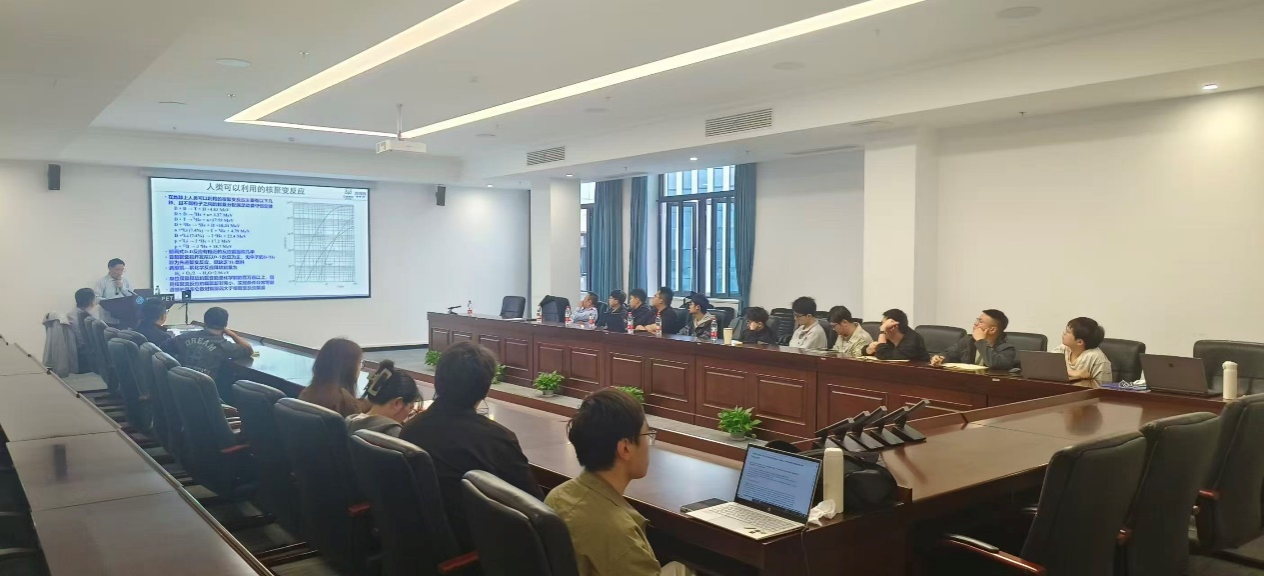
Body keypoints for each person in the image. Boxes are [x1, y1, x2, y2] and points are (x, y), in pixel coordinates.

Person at [400, 342, 541, 549]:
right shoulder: (496, 439)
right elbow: (535, 507)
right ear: (486, 389)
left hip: (420, 541)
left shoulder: (410, 428)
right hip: (478, 548)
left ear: (438, 380)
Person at [547, 388, 695, 576]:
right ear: (625, 448)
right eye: (647, 436)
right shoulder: (619, 532)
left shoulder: (557, 496)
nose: (649, 445)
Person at [166, 307, 254, 401]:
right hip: (205, 396)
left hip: (177, 390)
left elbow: (163, 346)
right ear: (225, 325)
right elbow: (248, 349)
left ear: (205, 322)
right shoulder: (224, 346)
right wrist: (231, 334)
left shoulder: (183, 338)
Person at [346, 360, 421, 436]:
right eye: (410, 408)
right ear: (397, 403)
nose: (408, 414)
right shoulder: (394, 434)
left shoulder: (350, 422)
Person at [930, 309, 1018, 370]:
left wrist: (980, 341)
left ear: (992, 330)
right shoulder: (968, 340)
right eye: (977, 320)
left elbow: (995, 364)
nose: (975, 324)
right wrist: (940, 359)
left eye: (980, 322)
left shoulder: (1007, 349)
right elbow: (949, 353)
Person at [299, 338, 366, 417]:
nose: (360, 367)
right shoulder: (345, 403)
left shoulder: (308, 392)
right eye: (360, 362)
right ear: (349, 367)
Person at [1051, 317, 1114, 387]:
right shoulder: (1061, 349)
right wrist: (1072, 373)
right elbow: (1047, 370)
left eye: (1068, 332)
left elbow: (1104, 388)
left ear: (1079, 342)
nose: (1064, 333)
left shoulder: (1097, 359)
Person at [865, 309, 929, 361]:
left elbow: (882, 355)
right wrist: (869, 349)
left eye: (884, 325)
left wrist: (882, 331)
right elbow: (866, 350)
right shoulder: (889, 339)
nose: (880, 327)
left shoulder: (912, 340)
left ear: (894, 327)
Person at [93, 258, 134, 326]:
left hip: (124, 317)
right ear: (110, 268)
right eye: (117, 269)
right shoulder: (102, 282)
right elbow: (96, 298)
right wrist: (110, 302)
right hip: (108, 318)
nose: (120, 272)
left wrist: (122, 288)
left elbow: (132, 296)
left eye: (122, 270)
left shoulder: (125, 281)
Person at [67, 288, 97, 373]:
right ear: (91, 300)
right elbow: (88, 341)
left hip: (77, 355)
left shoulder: (70, 315)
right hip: (85, 357)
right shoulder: (86, 318)